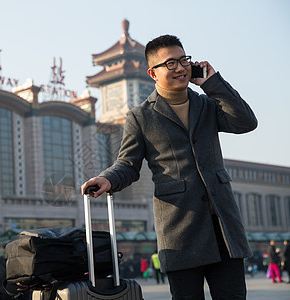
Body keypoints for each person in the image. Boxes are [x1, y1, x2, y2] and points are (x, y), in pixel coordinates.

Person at [81, 34, 257, 299]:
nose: (180, 68)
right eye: (170, 63)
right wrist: (108, 179)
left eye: (183, 60)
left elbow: (245, 122)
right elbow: (127, 164)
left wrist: (213, 83)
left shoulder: (207, 104)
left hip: (223, 226)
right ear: (153, 72)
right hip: (180, 231)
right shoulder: (141, 117)